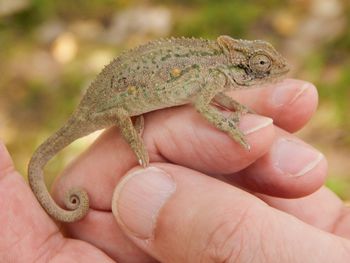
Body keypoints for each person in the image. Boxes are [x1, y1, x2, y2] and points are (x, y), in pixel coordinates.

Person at [1, 79, 349, 262]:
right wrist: (230, 127)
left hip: (117, 100)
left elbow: (213, 95)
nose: (265, 75)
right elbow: (202, 102)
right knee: (131, 121)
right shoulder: (211, 73)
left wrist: (235, 110)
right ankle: (136, 144)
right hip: (110, 105)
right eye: (258, 66)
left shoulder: (214, 74)